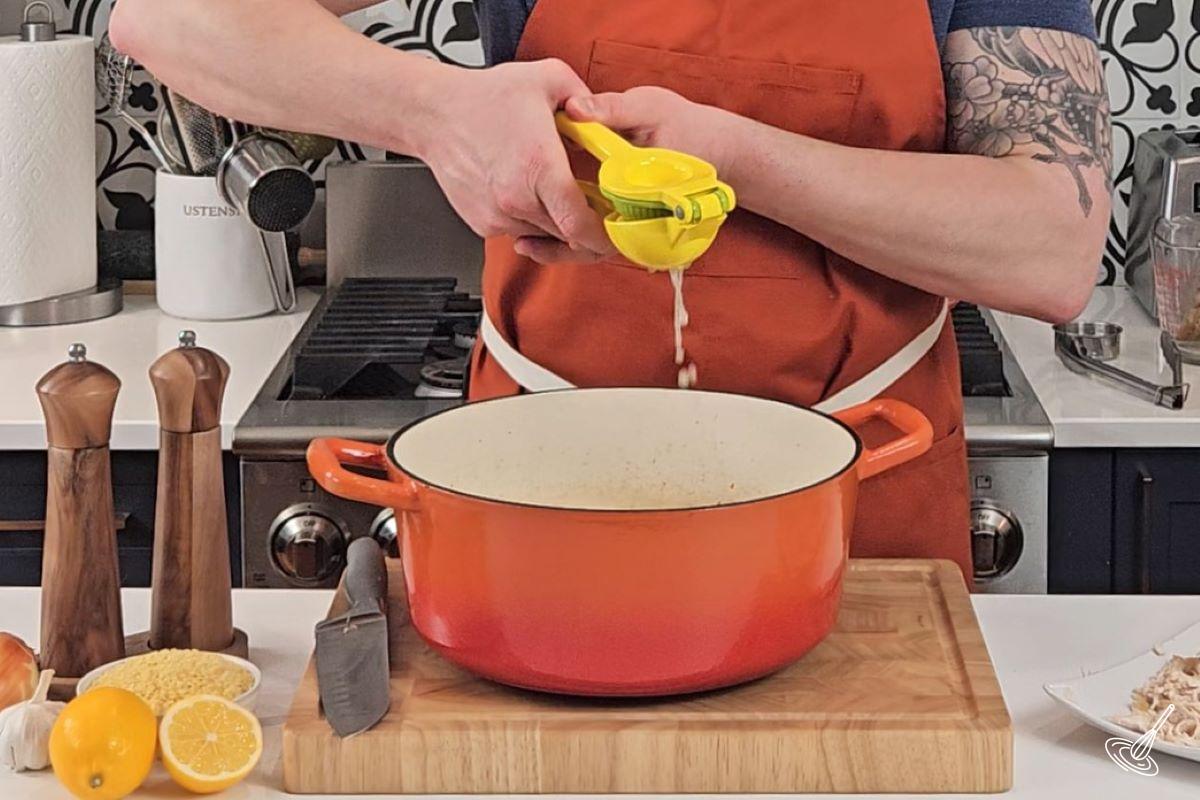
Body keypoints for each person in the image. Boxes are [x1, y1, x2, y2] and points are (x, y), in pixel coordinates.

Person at [110, 0, 1111, 581]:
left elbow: (1052, 245)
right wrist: (435, 110)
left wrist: (737, 161)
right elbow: (167, 17)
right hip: (540, 510)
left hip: (860, 518)